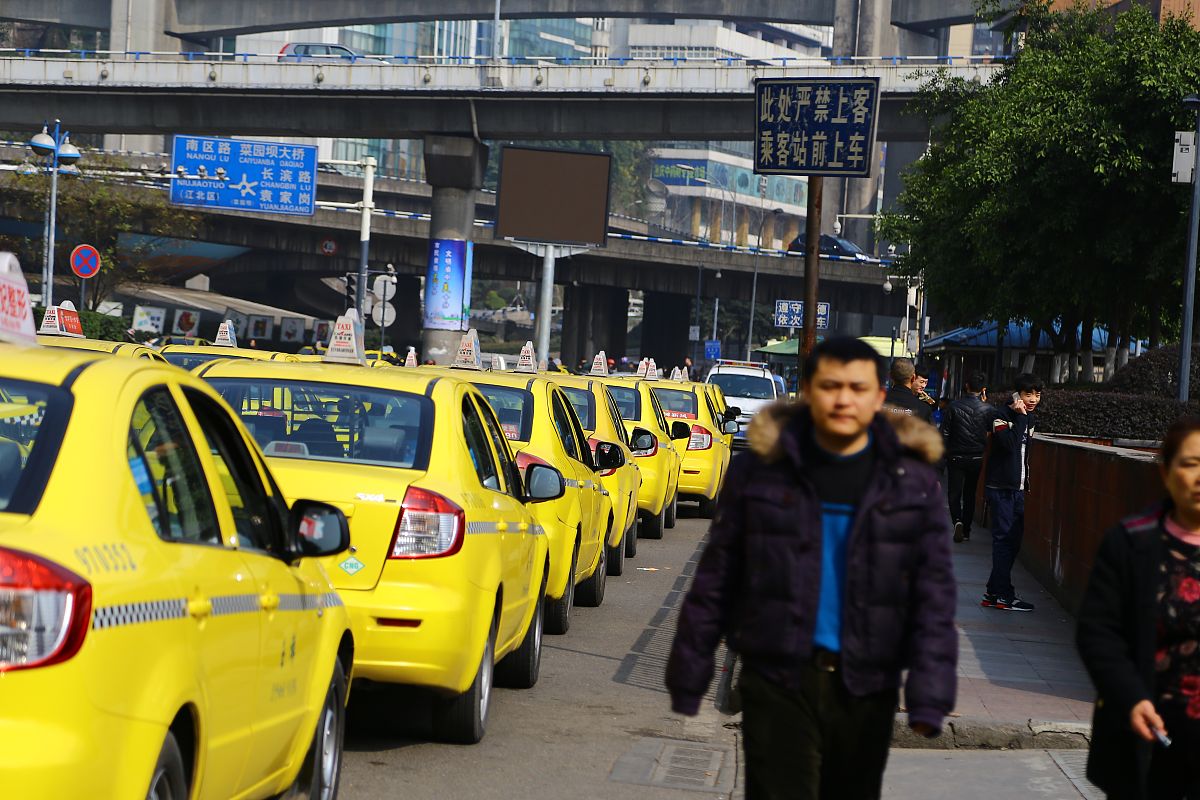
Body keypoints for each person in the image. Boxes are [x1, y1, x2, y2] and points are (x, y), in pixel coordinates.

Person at [666, 337, 957, 800]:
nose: (844, 399)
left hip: (867, 683)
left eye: (857, 388)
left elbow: (934, 592)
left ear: (879, 397)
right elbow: (718, 575)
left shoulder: (911, 482)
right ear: (805, 391)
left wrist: (930, 687)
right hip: (778, 676)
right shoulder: (761, 471)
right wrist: (689, 670)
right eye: (830, 386)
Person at [1077, 416, 1200, 800]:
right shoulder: (1130, 542)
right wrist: (1130, 697)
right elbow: (1098, 632)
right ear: (1165, 471)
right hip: (1146, 734)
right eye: (1190, 464)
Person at [981, 372, 1043, 612]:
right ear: (1017, 394)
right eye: (1029, 394)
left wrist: (1024, 419)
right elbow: (1009, 446)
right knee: (1004, 541)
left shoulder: (1030, 418)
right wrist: (1020, 419)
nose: (1034, 399)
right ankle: (1004, 595)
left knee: (1013, 541)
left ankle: (993, 592)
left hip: (1017, 489)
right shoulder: (1000, 416)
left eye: (1037, 395)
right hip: (1001, 488)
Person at [942, 371, 993, 543]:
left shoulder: (953, 407)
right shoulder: (988, 410)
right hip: (977, 457)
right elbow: (991, 431)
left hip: (956, 456)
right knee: (970, 493)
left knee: (954, 493)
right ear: (983, 390)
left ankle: (957, 521)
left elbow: (945, 433)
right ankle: (967, 530)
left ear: (966, 386)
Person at [884, 358, 933, 423]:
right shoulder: (923, 409)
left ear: (890, 376)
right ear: (913, 378)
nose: (923, 386)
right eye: (921, 382)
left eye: (926, 383)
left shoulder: (877, 402)